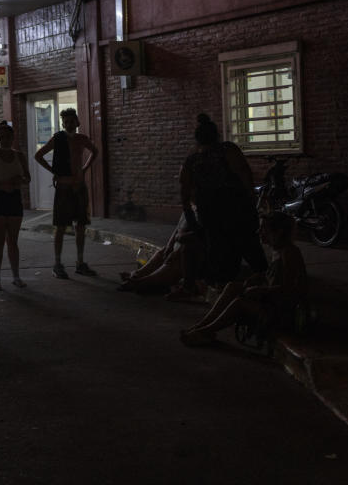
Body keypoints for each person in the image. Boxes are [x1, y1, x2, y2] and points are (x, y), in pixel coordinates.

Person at [180, 212, 307, 346]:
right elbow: (274, 276)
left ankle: (206, 331)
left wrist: (260, 290)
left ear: (279, 232)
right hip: (271, 300)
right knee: (232, 287)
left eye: (264, 229)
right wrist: (259, 277)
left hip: (282, 311)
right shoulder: (278, 250)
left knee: (239, 302)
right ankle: (202, 325)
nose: (259, 232)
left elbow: (288, 289)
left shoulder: (290, 253)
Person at [178, 114, 266, 297]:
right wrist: (252, 201)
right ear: (216, 135)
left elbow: (184, 190)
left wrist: (189, 216)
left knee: (219, 250)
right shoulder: (227, 150)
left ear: (197, 139)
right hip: (236, 208)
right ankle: (264, 281)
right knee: (249, 246)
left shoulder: (192, 160)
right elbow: (245, 174)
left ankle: (222, 289)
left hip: (209, 212)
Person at [34, 107, 99, 279]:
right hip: (63, 186)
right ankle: (57, 264)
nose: (70, 124)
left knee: (81, 226)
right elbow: (38, 155)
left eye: (72, 121)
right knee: (61, 227)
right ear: (63, 124)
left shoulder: (82, 139)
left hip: (79, 187)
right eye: (66, 122)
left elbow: (95, 151)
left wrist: (84, 169)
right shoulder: (58, 139)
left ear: (77, 122)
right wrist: (53, 171)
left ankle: (80, 262)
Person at [0, 121, 30, 290]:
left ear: (13, 138)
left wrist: (19, 180)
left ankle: (16, 276)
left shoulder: (19, 156)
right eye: (2, 137)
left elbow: (27, 178)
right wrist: (0, 186)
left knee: (13, 241)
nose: (5, 140)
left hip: (14, 199)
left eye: (8, 137)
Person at [116, 213, 205, 294]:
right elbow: (177, 229)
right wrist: (169, 246)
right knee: (162, 253)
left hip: (191, 254)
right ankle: (138, 274)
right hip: (178, 248)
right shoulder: (190, 208)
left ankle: (144, 282)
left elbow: (196, 237)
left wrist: (176, 250)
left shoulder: (204, 211)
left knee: (173, 261)